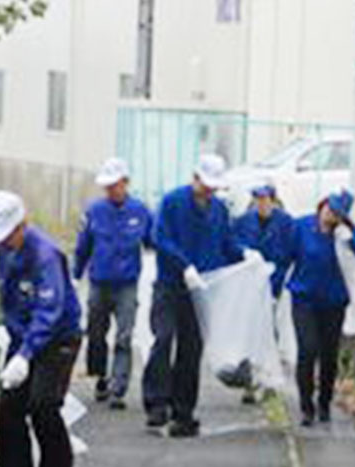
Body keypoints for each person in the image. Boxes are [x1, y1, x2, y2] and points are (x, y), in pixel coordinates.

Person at [0, 191, 83, 467]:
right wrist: (10, 332)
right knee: (9, 407)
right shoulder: (2, 246)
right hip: (23, 336)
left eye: (9, 234)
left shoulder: (45, 255)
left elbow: (48, 311)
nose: (3, 241)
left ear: (23, 225)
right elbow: (9, 292)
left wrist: (25, 355)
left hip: (58, 337)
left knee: (43, 405)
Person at [143, 154, 259, 438]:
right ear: (195, 178)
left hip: (201, 289)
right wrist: (184, 266)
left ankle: (184, 410)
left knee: (191, 350)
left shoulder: (219, 210)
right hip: (170, 285)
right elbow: (160, 238)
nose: (209, 190)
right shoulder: (172, 202)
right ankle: (157, 403)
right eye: (205, 184)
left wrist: (244, 253)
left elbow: (225, 242)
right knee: (163, 338)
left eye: (213, 187)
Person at [284, 189, 355, 427]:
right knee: (307, 348)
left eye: (335, 214)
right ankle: (306, 406)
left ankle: (324, 403)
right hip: (304, 299)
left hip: (333, 302)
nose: (328, 215)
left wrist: (349, 238)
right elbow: (286, 256)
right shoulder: (301, 227)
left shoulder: (344, 233)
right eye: (328, 209)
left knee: (329, 355)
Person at [74, 158, 154, 410]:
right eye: (106, 186)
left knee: (124, 336)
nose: (110, 190)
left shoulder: (140, 211)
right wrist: (76, 275)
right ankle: (100, 376)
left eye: (114, 185)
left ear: (125, 183)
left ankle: (119, 388)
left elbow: (153, 242)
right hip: (99, 281)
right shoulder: (94, 211)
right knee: (96, 334)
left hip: (127, 284)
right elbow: (83, 246)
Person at [232, 183, 296, 405]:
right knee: (249, 332)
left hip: (273, 284)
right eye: (257, 199)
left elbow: (288, 254)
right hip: (248, 285)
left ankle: (268, 379)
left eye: (265, 199)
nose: (261, 203)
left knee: (269, 331)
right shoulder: (242, 223)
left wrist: (276, 279)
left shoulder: (285, 223)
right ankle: (250, 381)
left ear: (273, 200)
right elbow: (233, 247)